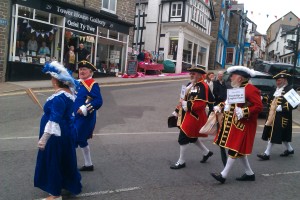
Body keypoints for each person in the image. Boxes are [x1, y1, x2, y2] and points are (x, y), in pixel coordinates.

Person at [34, 61, 82, 199]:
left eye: (51, 77)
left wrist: (44, 138)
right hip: (65, 132)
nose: (51, 80)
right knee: (64, 160)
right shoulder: (68, 93)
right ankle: (68, 184)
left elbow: (54, 119)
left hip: (56, 135)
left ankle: (54, 194)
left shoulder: (59, 98)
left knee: (53, 161)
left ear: (55, 80)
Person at [211, 66, 263, 184]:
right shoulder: (237, 87)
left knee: (234, 148)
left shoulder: (250, 89)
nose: (230, 78)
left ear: (240, 78)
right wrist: (220, 106)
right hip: (234, 123)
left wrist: (244, 112)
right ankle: (249, 173)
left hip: (244, 124)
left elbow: (258, 106)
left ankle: (223, 175)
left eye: (233, 75)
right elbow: (229, 100)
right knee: (238, 149)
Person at [170, 66, 215, 170]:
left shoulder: (203, 86)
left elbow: (201, 104)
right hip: (187, 114)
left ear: (199, 75)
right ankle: (206, 152)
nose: (191, 75)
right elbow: (182, 99)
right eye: (190, 73)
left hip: (195, 116)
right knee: (192, 137)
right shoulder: (189, 85)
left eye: (193, 74)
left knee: (183, 136)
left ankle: (181, 161)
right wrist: (177, 111)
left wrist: (187, 105)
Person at [257, 71, 295, 160]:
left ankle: (267, 153)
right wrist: (261, 97)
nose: (277, 82)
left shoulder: (289, 89)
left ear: (285, 80)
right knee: (282, 135)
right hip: (272, 116)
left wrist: (283, 107)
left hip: (282, 117)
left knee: (273, 134)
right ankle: (290, 149)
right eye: (277, 81)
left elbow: (295, 103)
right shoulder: (276, 89)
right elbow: (269, 98)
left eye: (279, 80)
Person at [74, 60, 103, 171]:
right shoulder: (77, 82)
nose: (81, 71)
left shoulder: (92, 84)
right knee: (81, 140)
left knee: (73, 139)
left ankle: (68, 165)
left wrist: (86, 108)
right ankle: (88, 164)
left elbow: (98, 101)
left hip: (85, 118)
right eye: (80, 69)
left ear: (90, 72)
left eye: (84, 69)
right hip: (74, 116)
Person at [213, 71, 228, 166]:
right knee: (218, 117)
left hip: (224, 102)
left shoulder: (224, 83)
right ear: (217, 76)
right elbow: (215, 92)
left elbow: (226, 91)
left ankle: (221, 128)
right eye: (219, 75)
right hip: (218, 102)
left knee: (222, 117)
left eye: (222, 75)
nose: (221, 76)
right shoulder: (216, 83)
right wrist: (219, 98)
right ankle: (219, 129)